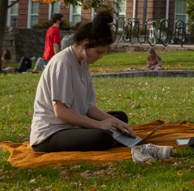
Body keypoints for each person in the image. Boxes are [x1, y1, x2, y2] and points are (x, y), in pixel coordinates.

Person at [30, 10, 167, 160]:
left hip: (72, 126)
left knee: (120, 118)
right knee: (102, 136)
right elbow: (61, 112)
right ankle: (116, 138)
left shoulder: (82, 63)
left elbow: (90, 108)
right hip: (51, 133)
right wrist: (99, 125)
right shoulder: (62, 63)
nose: (100, 57)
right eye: (99, 52)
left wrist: (114, 122)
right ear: (85, 45)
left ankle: (119, 134)